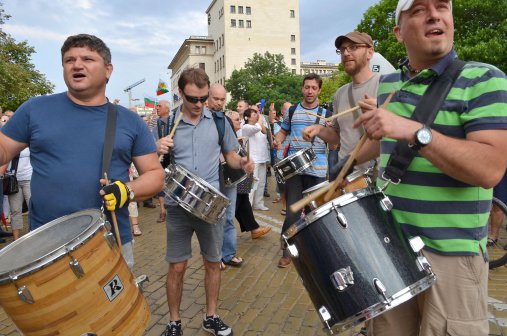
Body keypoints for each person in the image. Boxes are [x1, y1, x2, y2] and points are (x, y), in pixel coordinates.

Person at [350, 1, 507, 334]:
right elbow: (382, 145)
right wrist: (341, 156)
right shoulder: (389, 86)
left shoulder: (484, 79)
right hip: (390, 251)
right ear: (398, 32)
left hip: (452, 255)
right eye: (419, 9)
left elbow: (490, 169)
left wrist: (413, 130)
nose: (435, 14)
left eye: (442, 6)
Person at [0, 34, 164, 269]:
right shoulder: (34, 110)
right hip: (45, 247)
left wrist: (127, 190)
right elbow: (4, 149)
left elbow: (155, 176)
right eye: (69, 60)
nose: (77, 65)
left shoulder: (130, 122)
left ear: (108, 70)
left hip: (109, 242)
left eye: (87, 59)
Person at [157, 68, 252, 336]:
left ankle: (211, 317)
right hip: (177, 205)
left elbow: (231, 156)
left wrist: (241, 163)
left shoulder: (219, 121)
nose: (199, 105)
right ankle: (174, 322)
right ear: (181, 93)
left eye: (203, 98)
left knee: (212, 262)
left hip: (210, 204)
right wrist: (157, 149)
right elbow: (152, 167)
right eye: (192, 99)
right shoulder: (167, 124)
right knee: (177, 265)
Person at [273, 73, 335, 268]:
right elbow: (283, 131)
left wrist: (326, 131)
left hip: (317, 171)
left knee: (314, 214)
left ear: (319, 90)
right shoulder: (292, 111)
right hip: (295, 170)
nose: (309, 91)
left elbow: (333, 143)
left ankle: (310, 251)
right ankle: (287, 250)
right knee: (292, 212)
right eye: (306, 87)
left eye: (313, 88)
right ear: (302, 88)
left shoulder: (325, 114)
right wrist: (278, 139)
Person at [208, 84, 244, 269]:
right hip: (211, 176)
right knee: (214, 217)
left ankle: (228, 254)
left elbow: (232, 151)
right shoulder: (201, 118)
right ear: (208, 97)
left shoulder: (224, 120)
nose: (220, 103)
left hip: (227, 174)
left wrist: (241, 161)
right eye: (216, 99)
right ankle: (215, 256)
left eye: (222, 99)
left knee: (228, 216)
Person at [244, 104, 270, 211]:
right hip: (253, 160)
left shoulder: (259, 125)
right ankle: (248, 205)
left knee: (261, 183)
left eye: (256, 113)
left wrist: (260, 117)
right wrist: (260, 116)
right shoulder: (246, 127)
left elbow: (264, 131)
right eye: (254, 114)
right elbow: (257, 128)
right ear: (248, 117)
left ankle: (258, 203)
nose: (256, 115)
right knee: (252, 184)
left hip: (262, 158)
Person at [152, 100, 171, 221]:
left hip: (172, 159)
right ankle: (163, 210)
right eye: (157, 105)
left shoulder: (174, 122)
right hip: (160, 159)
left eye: (159, 106)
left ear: (167, 109)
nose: (157, 107)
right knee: (160, 184)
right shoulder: (155, 125)